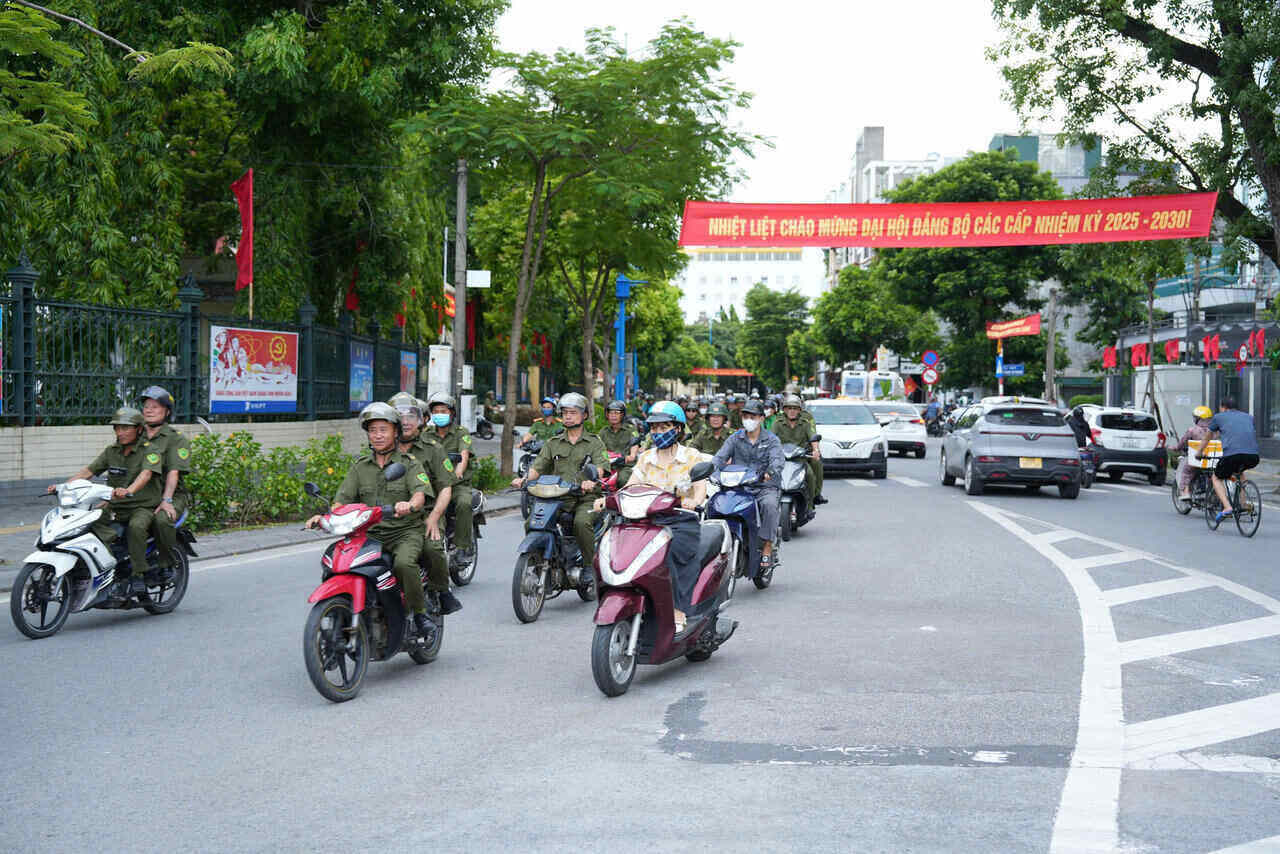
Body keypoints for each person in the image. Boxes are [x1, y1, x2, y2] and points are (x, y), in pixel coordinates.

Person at [308, 403, 436, 640]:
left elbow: (420, 494)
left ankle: (420, 615)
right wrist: (324, 517)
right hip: (368, 535)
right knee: (337, 563)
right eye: (373, 430)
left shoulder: (409, 463)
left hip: (403, 532)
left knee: (404, 564)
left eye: (383, 430)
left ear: (395, 432)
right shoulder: (360, 467)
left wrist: (409, 505)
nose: (377, 435)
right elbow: (341, 502)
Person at [598, 400, 708, 632]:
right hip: (647, 521)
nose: (658, 432)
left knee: (672, 553)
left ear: (677, 429)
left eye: (664, 427)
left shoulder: (691, 456)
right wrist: (608, 500)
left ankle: (678, 608)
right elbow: (630, 486)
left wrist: (694, 501)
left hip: (680, 520)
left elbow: (700, 489)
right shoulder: (646, 458)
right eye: (655, 428)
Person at [50, 407, 163, 597]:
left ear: (139, 429)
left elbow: (146, 474)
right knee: (87, 521)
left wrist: (129, 491)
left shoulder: (151, 451)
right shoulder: (111, 451)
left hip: (142, 505)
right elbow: (89, 472)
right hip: (115, 506)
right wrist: (63, 486)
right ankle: (109, 560)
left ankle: (138, 574)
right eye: (117, 428)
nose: (121, 432)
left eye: (126, 428)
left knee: (136, 527)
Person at [511, 392, 608, 581]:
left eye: (573, 412)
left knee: (581, 523)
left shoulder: (594, 443)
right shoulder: (553, 443)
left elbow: (601, 467)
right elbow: (538, 467)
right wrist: (523, 479)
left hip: (584, 497)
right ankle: (540, 559)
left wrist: (592, 479)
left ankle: (588, 565)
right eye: (564, 413)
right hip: (557, 496)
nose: (568, 416)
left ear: (584, 415)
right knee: (533, 521)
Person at [388, 392, 461, 614]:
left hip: (425, 514)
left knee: (432, 548)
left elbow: (446, 488)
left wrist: (434, 518)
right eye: (399, 417)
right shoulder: (382, 450)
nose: (406, 422)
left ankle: (441, 590)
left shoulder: (433, 448)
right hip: (389, 517)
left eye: (411, 416)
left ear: (421, 420)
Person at [712, 399, 784, 569]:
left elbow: (777, 460)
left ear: (761, 418)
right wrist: (711, 470)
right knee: (716, 504)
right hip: (739, 487)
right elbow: (719, 458)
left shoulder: (772, 440)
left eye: (752, 416)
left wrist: (770, 472)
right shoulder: (735, 438)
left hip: (764, 487)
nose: (749, 419)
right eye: (745, 416)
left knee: (770, 505)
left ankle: (767, 547)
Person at [138, 386, 191, 578]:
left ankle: (166, 563)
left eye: (155, 406)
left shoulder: (176, 439)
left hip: (170, 494)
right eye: (146, 406)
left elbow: (173, 472)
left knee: (162, 520)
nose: (149, 410)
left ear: (167, 412)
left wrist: (167, 500)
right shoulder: (134, 434)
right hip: (141, 493)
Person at [426, 392, 476, 568]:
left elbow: (464, 455)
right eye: (436, 411)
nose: (440, 414)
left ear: (452, 413)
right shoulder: (426, 434)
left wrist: (458, 471)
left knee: (463, 503)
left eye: (444, 410)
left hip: (457, 484)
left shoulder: (461, 432)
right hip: (433, 485)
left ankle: (463, 548)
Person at [1206, 397, 1260, 523]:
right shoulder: (1248, 417)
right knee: (1240, 473)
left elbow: (1207, 438)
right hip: (1253, 456)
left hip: (1232, 455)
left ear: (1223, 407)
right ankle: (1243, 504)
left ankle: (1227, 507)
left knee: (1216, 477)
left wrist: (1198, 452)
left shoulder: (1219, 417)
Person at [770, 394, 823, 510]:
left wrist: (816, 450)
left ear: (799, 410)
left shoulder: (805, 423)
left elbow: (813, 437)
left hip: (800, 459)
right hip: (781, 459)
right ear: (784, 409)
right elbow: (771, 438)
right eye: (789, 408)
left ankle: (812, 500)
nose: (792, 411)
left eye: (795, 408)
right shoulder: (777, 423)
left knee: (810, 474)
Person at [1174, 405, 1214, 502]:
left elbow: (1182, 443)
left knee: (1186, 471)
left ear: (1198, 419)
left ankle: (1186, 492)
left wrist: (1175, 448)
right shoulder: (1215, 430)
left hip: (1197, 460)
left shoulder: (1192, 430)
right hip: (1213, 461)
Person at [598, 400, 640, 487]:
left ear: (622, 415)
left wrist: (626, 458)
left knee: (622, 480)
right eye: (611, 412)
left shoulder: (631, 430)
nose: (613, 415)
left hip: (625, 466)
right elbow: (597, 449)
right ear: (607, 414)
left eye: (617, 413)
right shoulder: (603, 431)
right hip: (607, 466)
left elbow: (633, 455)